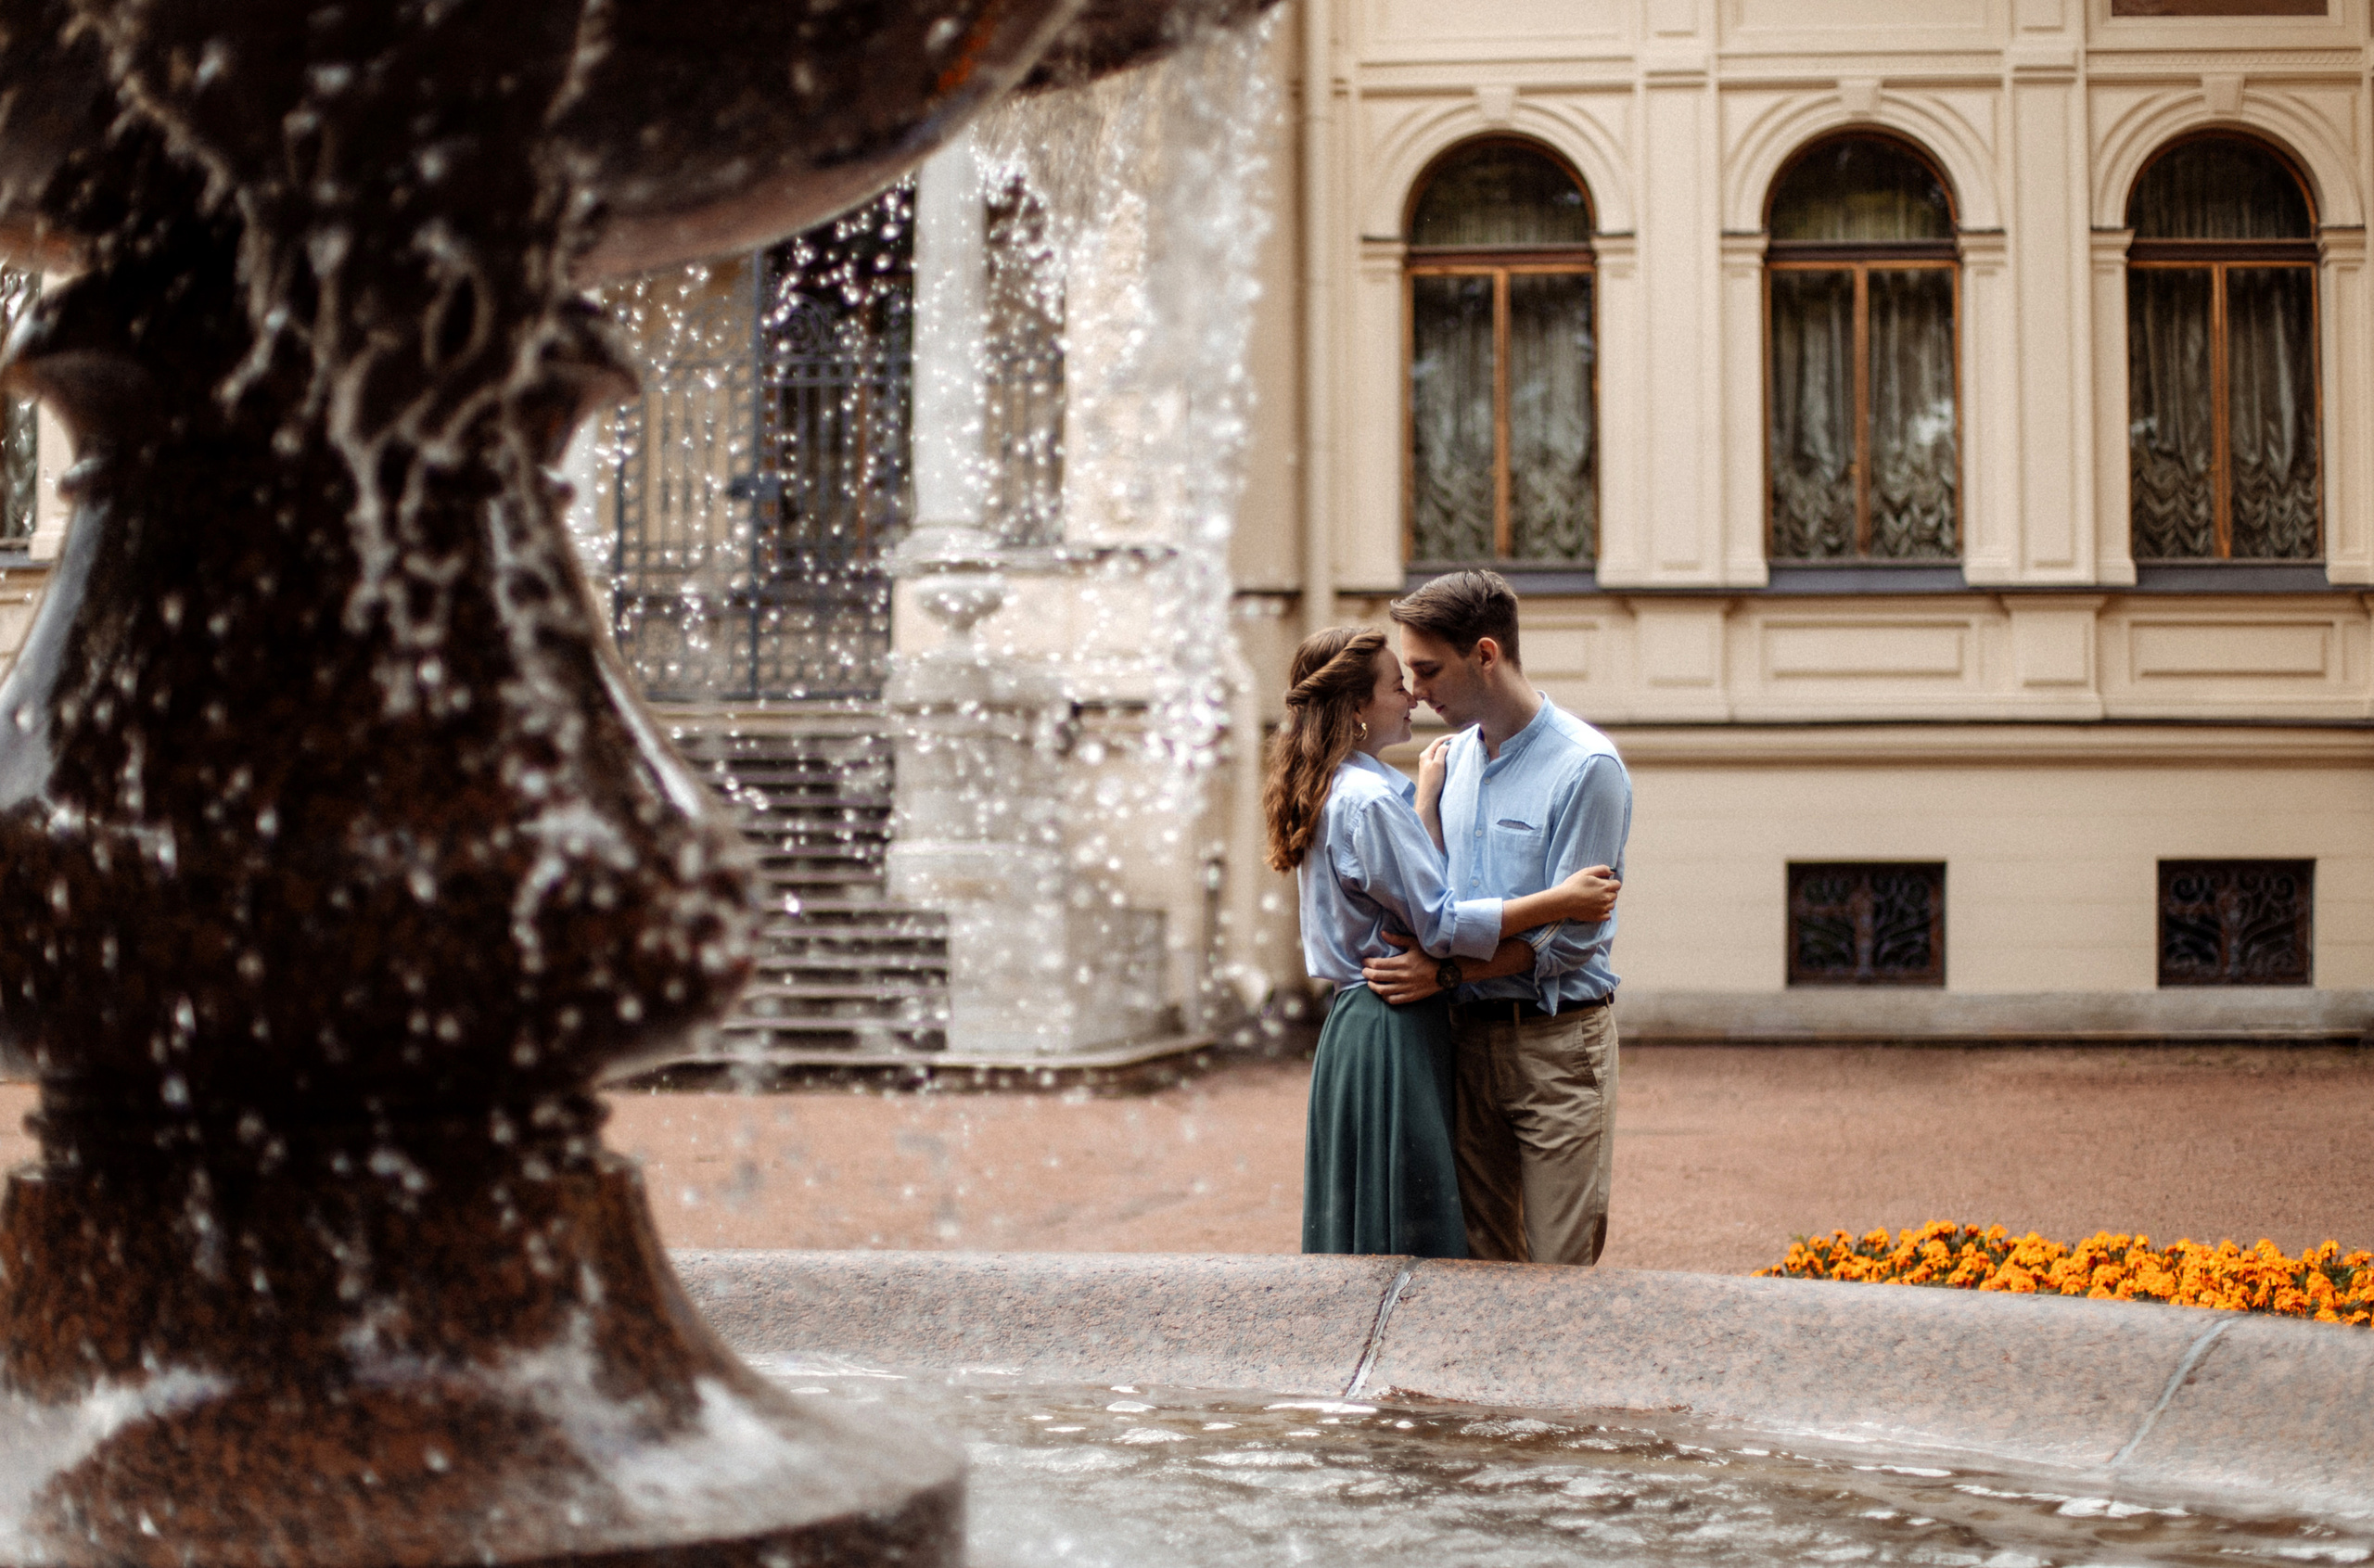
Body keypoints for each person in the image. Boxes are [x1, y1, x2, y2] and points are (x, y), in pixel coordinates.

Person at [1263, 625, 1619, 1258]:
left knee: (1379, 1228)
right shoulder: (1371, 799)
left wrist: (1424, 806)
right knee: (1411, 1237)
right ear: (1355, 708)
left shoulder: (1338, 785)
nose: (1413, 697)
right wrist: (1559, 900)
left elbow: (1408, 897)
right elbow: (1441, 924)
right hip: (1392, 1023)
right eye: (1399, 684)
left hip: (1361, 1025)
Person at [1363, 570, 1634, 1267]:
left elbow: (1571, 940)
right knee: (1480, 1269)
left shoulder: (1586, 767)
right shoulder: (1448, 764)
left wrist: (1445, 970)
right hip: (1464, 1045)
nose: (1415, 690)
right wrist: (1425, 802)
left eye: (1427, 669)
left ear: (1485, 653)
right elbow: (1432, 903)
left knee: (1557, 1271)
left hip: (1557, 1050)